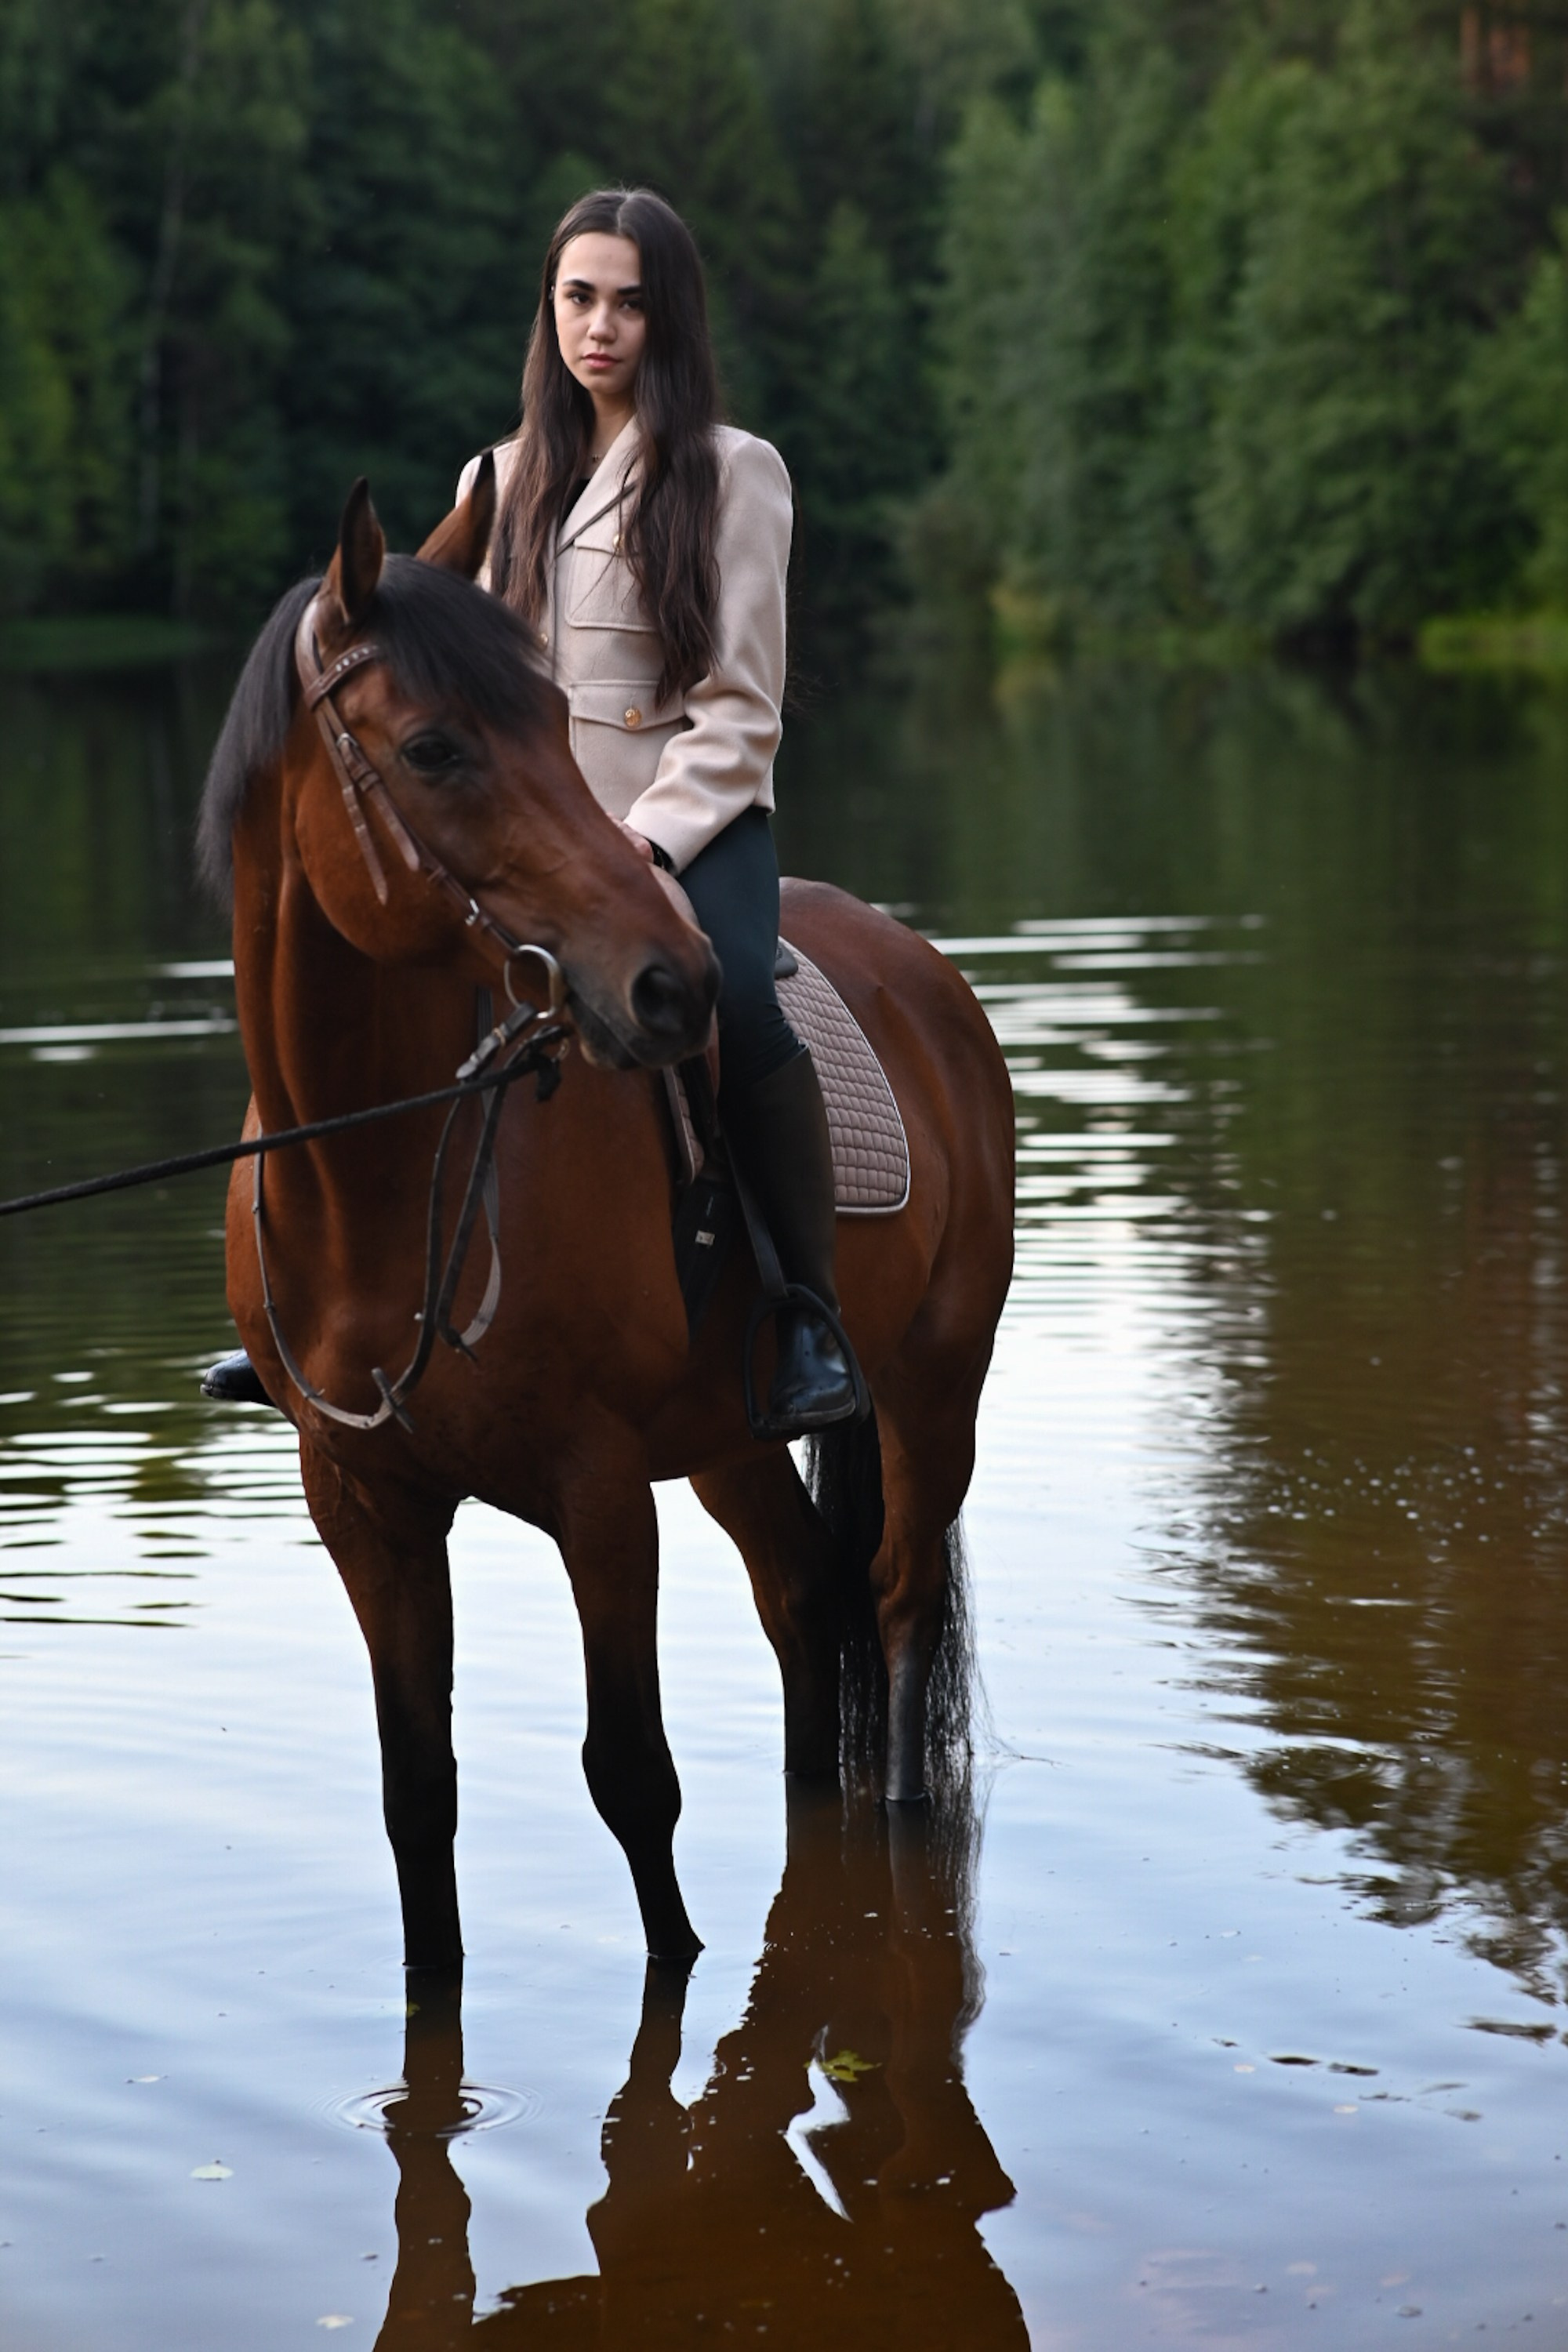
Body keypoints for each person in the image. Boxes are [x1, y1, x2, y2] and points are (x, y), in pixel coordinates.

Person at [205, 186, 856, 1432]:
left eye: (629, 302)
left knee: (745, 1008)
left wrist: (644, 841)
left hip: (686, 826)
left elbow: (741, 713)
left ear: (671, 320)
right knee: (358, 1004)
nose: (599, 327)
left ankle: (806, 1318)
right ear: (548, 309)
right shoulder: (494, 480)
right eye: (578, 298)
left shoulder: (734, 473)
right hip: (516, 839)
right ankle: (317, 1309)